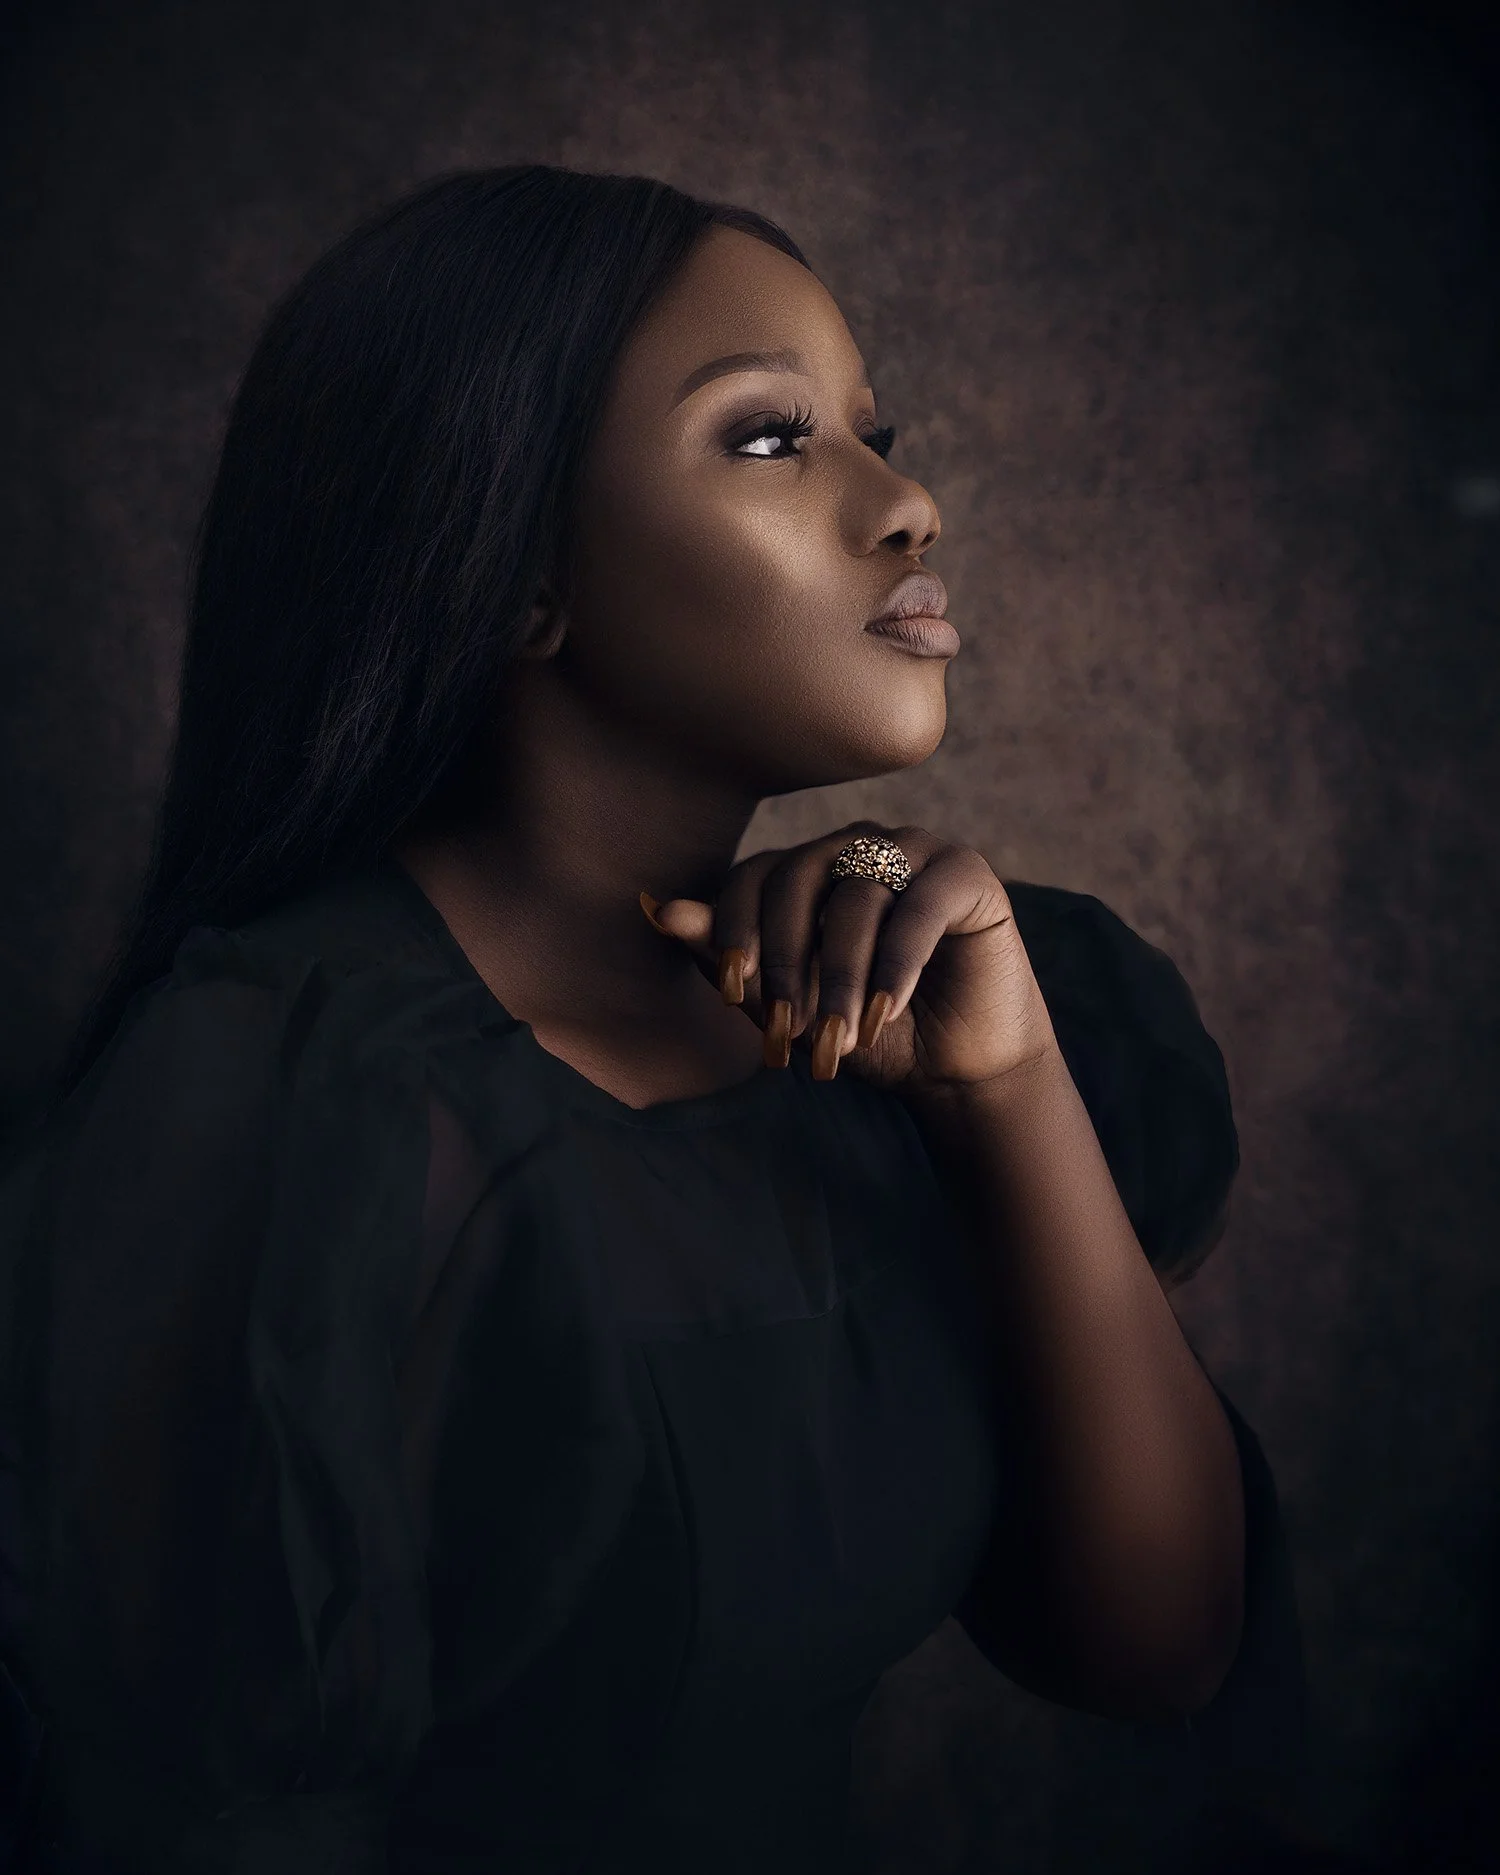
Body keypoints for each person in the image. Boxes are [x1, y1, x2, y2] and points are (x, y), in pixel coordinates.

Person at [0, 166, 1303, 1874]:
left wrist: (1007, 1087)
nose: (908, 501)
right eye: (772, 440)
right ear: (511, 570)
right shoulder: (279, 1093)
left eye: (873, 430)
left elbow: (1155, 1649)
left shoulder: (893, 1006)